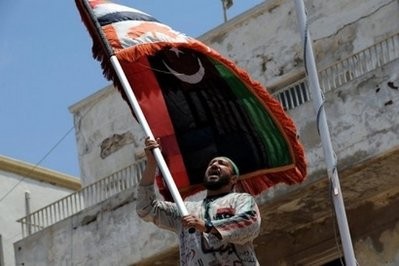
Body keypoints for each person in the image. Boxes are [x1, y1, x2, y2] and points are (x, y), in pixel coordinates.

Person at [136, 137, 261, 265]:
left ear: (234, 179)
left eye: (222, 164)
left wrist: (207, 226)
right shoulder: (185, 210)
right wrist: (152, 163)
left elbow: (249, 222)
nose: (215, 165)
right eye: (211, 163)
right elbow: (146, 208)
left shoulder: (241, 200)